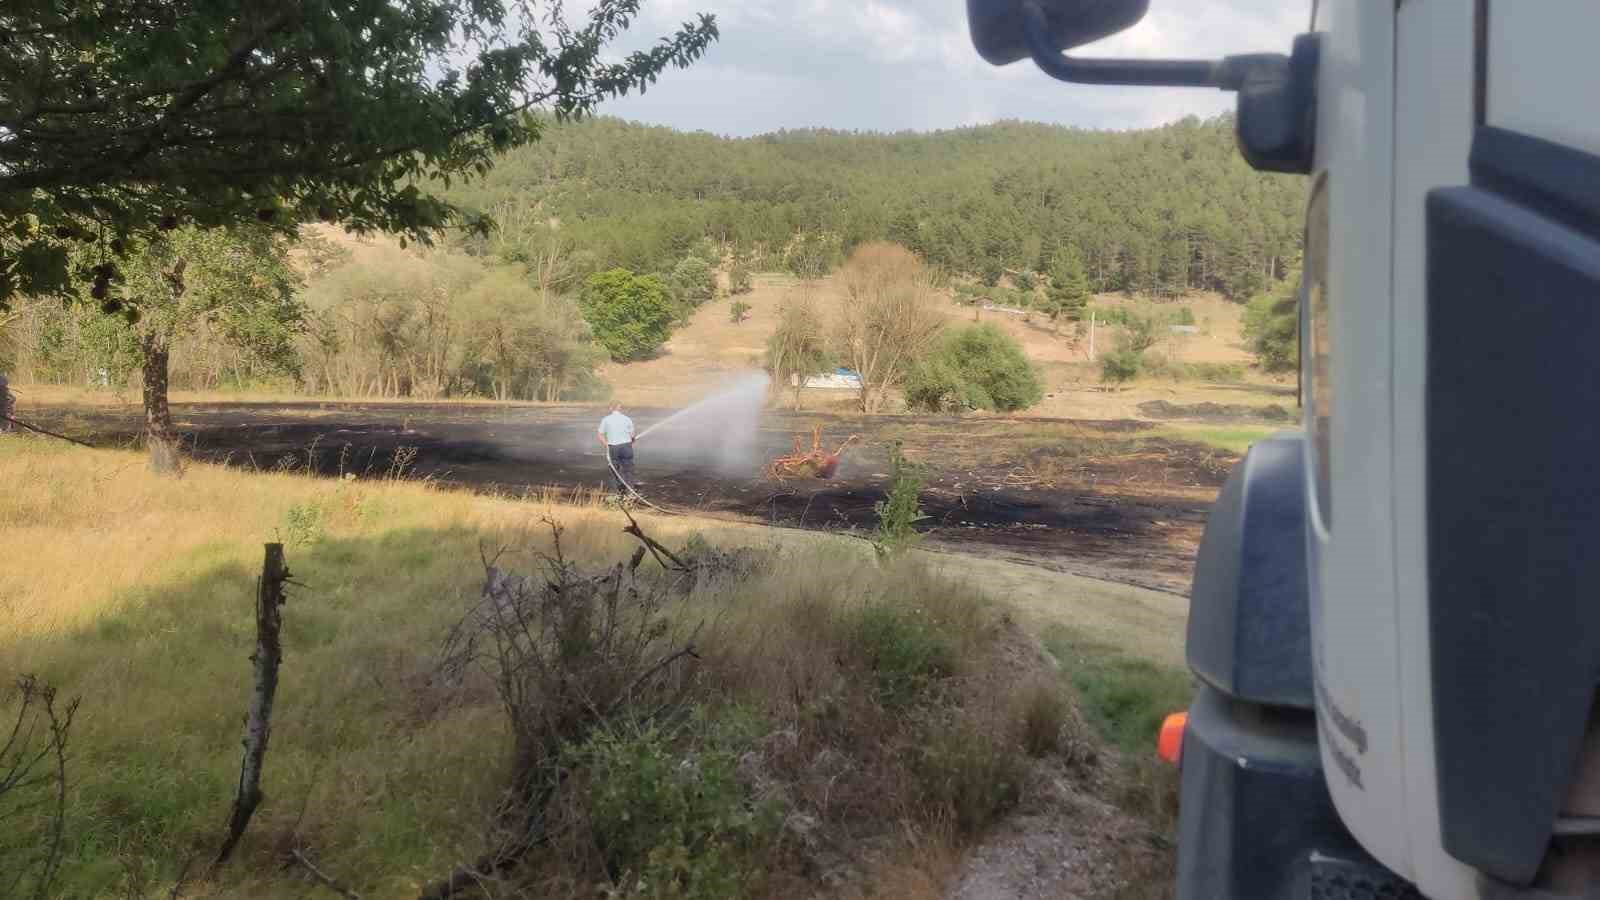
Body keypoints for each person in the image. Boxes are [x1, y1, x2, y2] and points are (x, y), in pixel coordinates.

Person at [596, 402, 636, 496]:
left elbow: (599, 435)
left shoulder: (606, 419)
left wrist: (606, 444)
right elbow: (632, 435)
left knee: (614, 470)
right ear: (620, 409)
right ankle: (630, 492)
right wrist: (631, 441)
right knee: (628, 470)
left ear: (611, 408)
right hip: (626, 447)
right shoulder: (627, 419)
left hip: (613, 447)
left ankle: (615, 493)